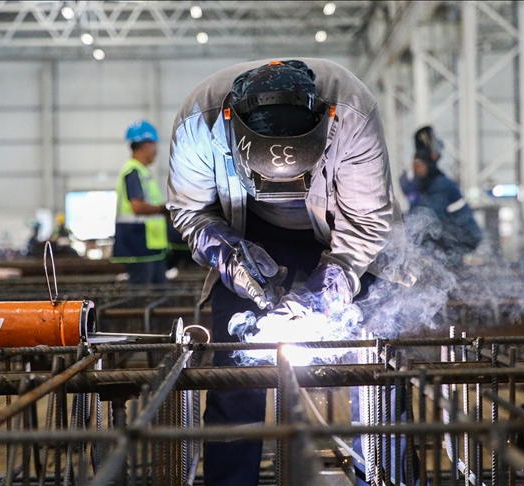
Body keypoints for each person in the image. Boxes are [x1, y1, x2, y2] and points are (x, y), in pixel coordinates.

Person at [167, 59, 412, 486]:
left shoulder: (351, 112)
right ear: (231, 128)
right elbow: (191, 212)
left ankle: (381, 477)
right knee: (236, 374)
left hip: (343, 229)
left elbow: (367, 223)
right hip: (248, 231)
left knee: (375, 371)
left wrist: (326, 290)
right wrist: (232, 258)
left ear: (326, 123)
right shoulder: (197, 123)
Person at [400, 125, 482, 267]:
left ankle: (450, 267)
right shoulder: (428, 186)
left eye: (418, 164)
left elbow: (426, 216)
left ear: (429, 164)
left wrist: (411, 197)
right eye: (413, 164)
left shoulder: (441, 185)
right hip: (451, 238)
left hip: (462, 239)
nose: (414, 168)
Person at [111, 120, 169, 284]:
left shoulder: (142, 172)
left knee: (159, 290)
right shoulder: (133, 171)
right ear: (146, 145)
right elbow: (137, 206)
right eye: (154, 145)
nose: (156, 151)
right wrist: (163, 209)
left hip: (148, 245)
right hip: (138, 242)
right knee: (141, 291)